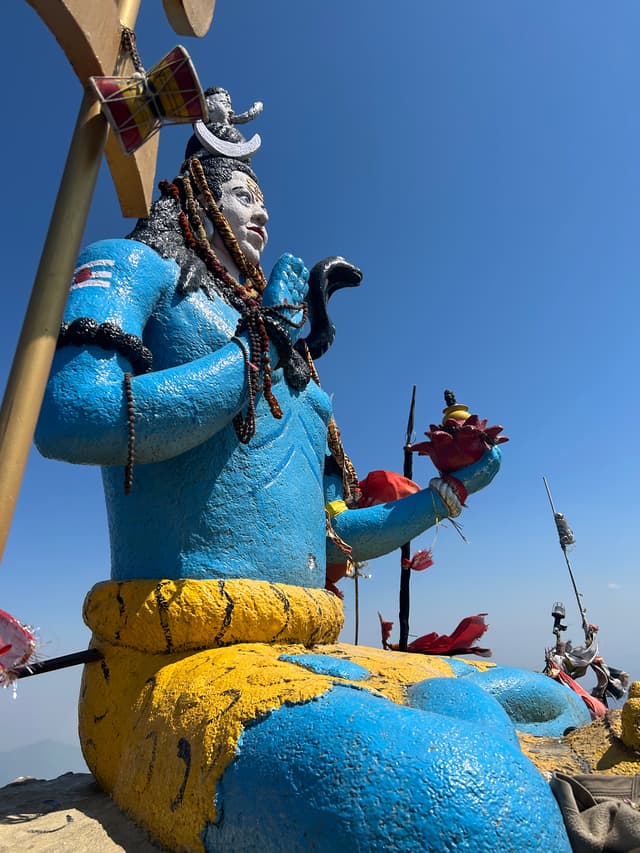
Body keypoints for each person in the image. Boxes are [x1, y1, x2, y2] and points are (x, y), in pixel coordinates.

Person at [35, 92, 574, 852]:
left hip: (308, 648)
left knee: (553, 701)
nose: (261, 211)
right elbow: (73, 415)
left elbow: (329, 540)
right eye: (242, 192)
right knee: (473, 811)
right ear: (196, 192)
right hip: (173, 659)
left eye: (263, 198)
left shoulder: (290, 361)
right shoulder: (137, 269)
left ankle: (463, 730)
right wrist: (252, 353)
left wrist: (448, 493)